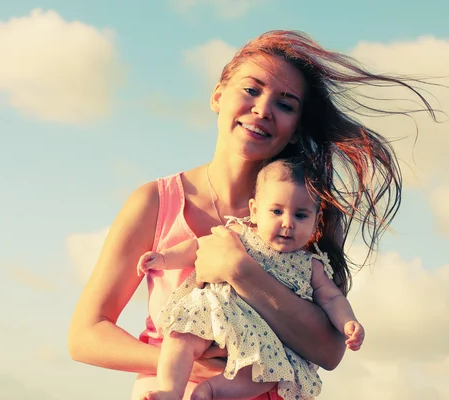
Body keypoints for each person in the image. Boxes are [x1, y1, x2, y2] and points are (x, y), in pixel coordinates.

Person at [68, 30, 436, 400]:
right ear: (217, 95)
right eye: (251, 90)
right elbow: (86, 335)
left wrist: (239, 269)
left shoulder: (314, 214)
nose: (263, 109)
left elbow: (329, 350)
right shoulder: (155, 202)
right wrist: (183, 362)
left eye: (286, 104)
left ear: (294, 130)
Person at [135, 157, 365, 400]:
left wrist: (348, 322)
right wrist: (164, 258)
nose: (287, 223)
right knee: (180, 336)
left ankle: (210, 392)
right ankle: (170, 391)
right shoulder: (239, 235)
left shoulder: (311, 265)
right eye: (276, 211)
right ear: (254, 211)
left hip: (263, 340)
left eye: (300, 215)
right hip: (216, 314)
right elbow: (197, 247)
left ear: (316, 220)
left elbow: (332, 299)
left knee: (262, 375)